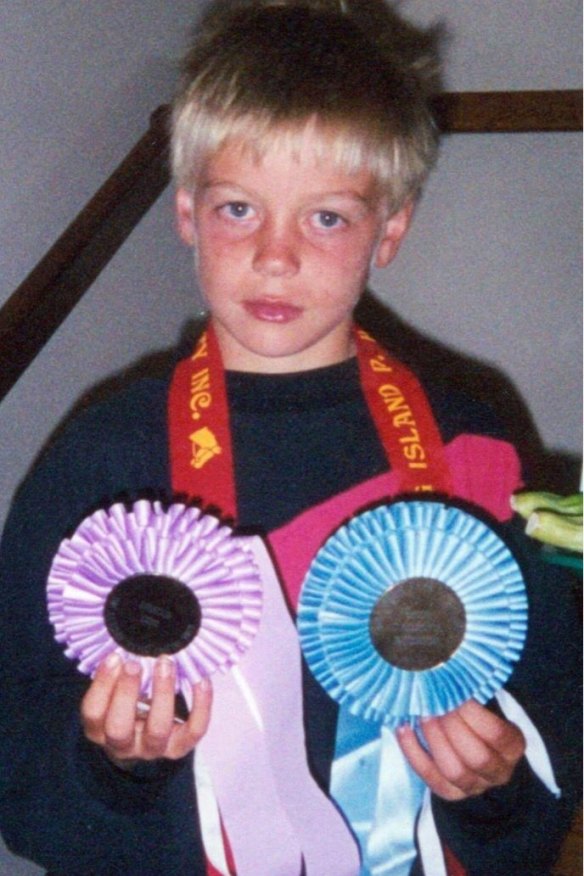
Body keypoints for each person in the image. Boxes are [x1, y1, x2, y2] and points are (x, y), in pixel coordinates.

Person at [0, 1, 580, 874]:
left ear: (390, 231)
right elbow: (24, 782)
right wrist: (112, 764)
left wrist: (493, 790)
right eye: (240, 209)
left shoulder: (468, 438)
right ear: (187, 212)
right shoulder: (103, 459)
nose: (276, 256)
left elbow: (548, 746)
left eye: (326, 218)